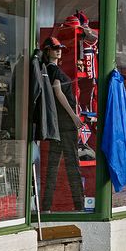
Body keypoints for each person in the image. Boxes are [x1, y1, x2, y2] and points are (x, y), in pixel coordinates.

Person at [40, 36, 85, 212]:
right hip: (65, 125)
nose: (59, 51)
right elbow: (58, 92)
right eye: (55, 48)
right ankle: (79, 205)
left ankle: (46, 206)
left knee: (52, 167)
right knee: (72, 165)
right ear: (48, 50)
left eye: (60, 48)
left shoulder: (46, 70)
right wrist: (74, 116)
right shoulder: (54, 72)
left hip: (56, 125)